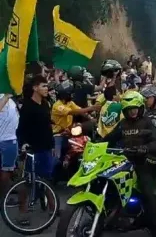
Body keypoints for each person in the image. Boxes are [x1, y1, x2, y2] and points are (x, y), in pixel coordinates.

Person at [103, 91, 156, 237]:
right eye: (130, 110)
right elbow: (109, 138)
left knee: (148, 194)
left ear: (141, 108)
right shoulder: (122, 124)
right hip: (124, 161)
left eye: (135, 108)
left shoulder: (148, 121)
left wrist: (145, 148)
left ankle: (155, 229)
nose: (133, 112)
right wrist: (94, 143)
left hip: (143, 162)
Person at [16, 75, 56, 225]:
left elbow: (48, 127)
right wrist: (23, 144)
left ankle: (53, 207)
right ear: (35, 88)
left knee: (47, 179)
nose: (47, 89)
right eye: (44, 86)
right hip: (33, 149)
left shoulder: (45, 104)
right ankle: (22, 213)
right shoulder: (27, 106)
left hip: (46, 148)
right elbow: (21, 129)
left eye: (47, 86)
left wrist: (52, 145)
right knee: (27, 182)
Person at [51, 81, 100, 159]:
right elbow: (72, 112)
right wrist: (91, 107)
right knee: (57, 157)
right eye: (71, 93)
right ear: (65, 94)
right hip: (58, 135)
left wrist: (90, 118)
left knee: (78, 147)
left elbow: (80, 110)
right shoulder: (57, 106)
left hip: (68, 132)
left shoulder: (69, 102)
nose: (73, 95)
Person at [0, 93, 19, 195]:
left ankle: (4, 198)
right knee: (5, 172)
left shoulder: (10, 99)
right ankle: (2, 199)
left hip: (11, 140)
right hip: (5, 141)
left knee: (7, 171)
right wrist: (6, 97)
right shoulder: (5, 97)